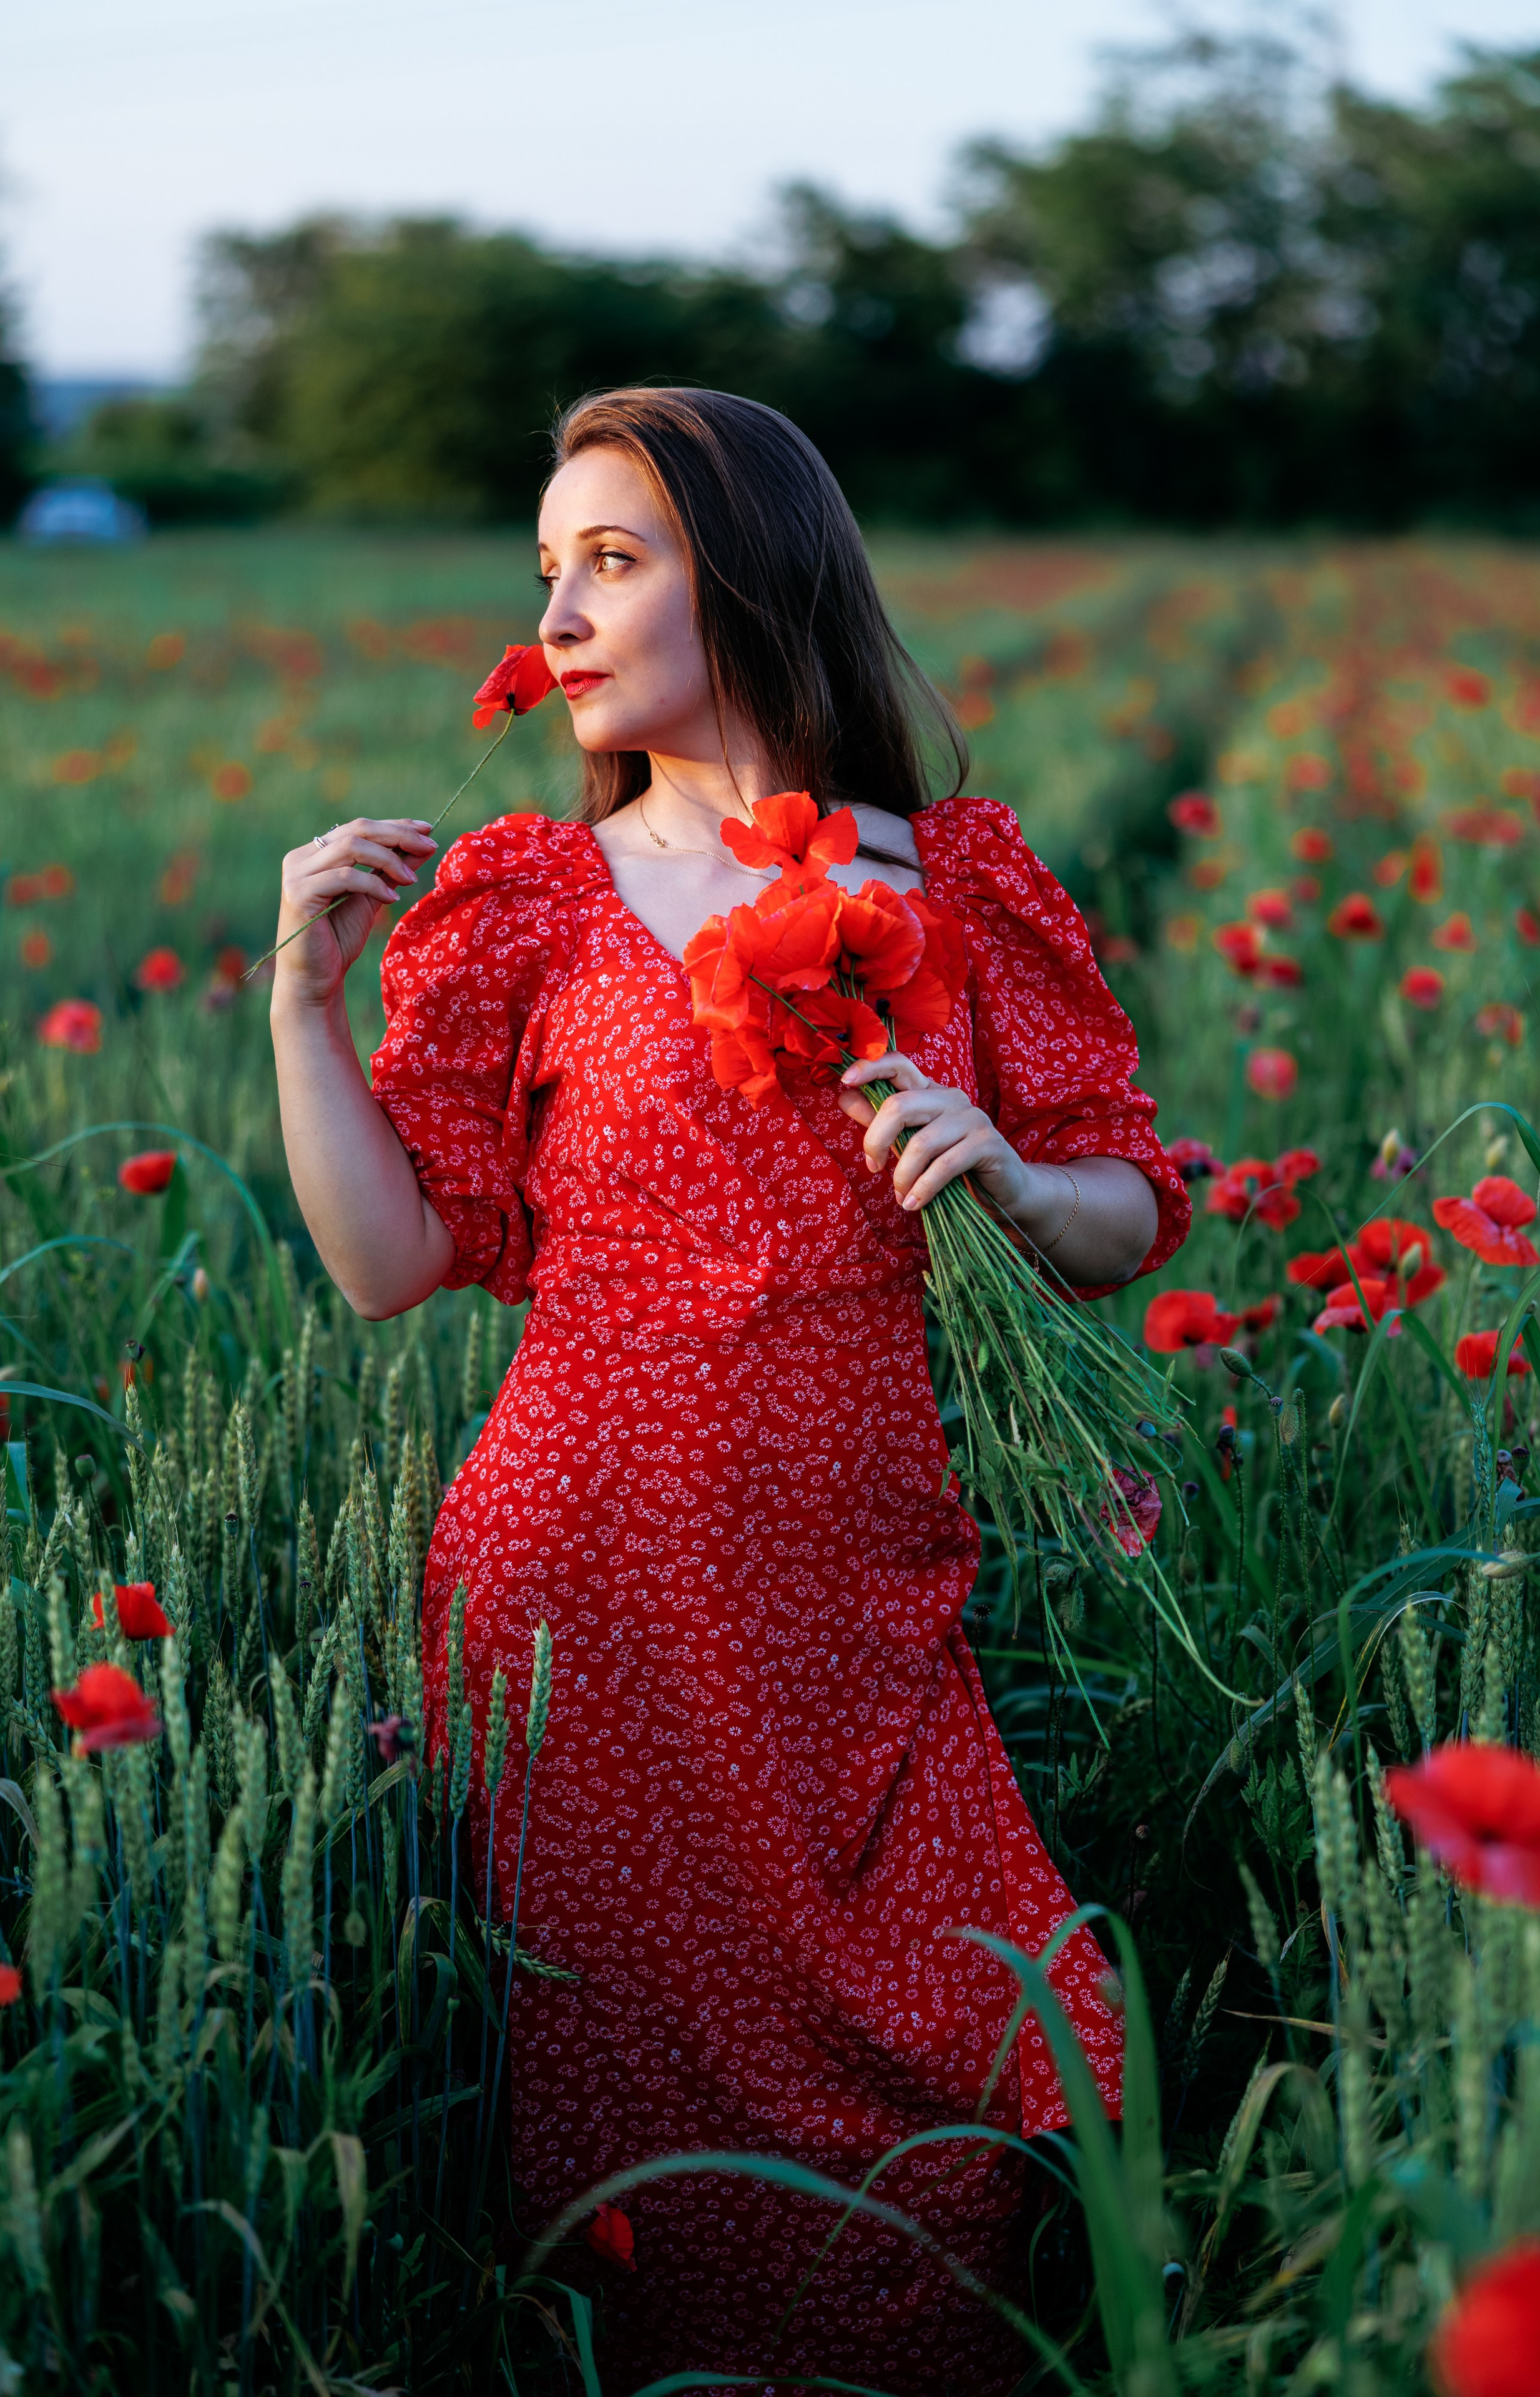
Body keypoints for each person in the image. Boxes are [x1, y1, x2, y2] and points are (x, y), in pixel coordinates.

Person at [270, 386, 1189, 2393]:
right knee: (629, 2124)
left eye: (611, 561)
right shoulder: (530, 900)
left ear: (753, 573)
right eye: (548, 572)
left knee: (966, 2042)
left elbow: (1124, 1208)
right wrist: (302, 1002)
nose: (558, 619)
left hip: (857, 1586)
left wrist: (1015, 1178)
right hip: (579, 1589)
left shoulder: (952, 880)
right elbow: (388, 1263)